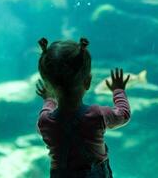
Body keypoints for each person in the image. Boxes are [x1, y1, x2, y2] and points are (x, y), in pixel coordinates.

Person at [36, 37, 131, 178]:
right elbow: (124, 114)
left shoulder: (45, 122)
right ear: (87, 81)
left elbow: (45, 116)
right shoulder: (97, 115)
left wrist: (49, 100)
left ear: (48, 85)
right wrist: (118, 91)